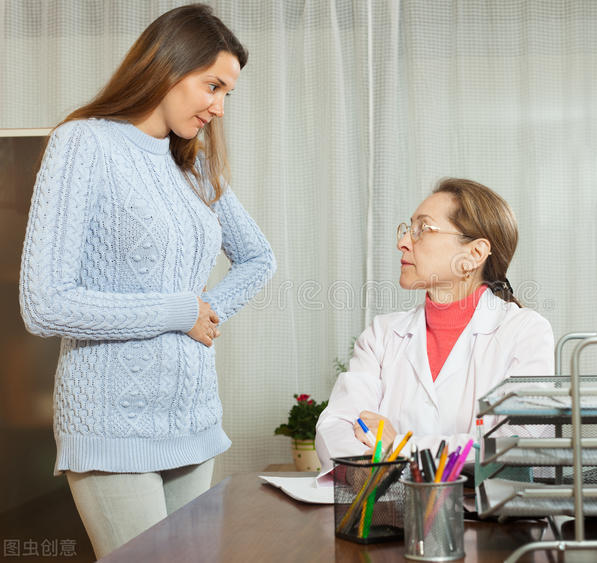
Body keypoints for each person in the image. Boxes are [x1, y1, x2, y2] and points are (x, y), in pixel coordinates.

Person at [18, 4, 275, 558]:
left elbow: (258, 258)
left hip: (194, 416)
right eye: (213, 86)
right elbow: (43, 304)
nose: (219, 107)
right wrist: (181, 312)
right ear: (168, 65)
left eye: (227, 93)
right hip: (110, 420)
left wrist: (208, 309)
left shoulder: (195, 166)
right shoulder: (84, 143)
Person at [315, 178, 553, 475]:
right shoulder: (383, 334)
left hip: (488, 519)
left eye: (422, 230)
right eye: (408, 229)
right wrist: (377, 468)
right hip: (385, 510)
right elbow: (338, 427)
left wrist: (401, 448)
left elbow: (513, 445)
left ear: (474, 255)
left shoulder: (524, 331)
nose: (402, 242)